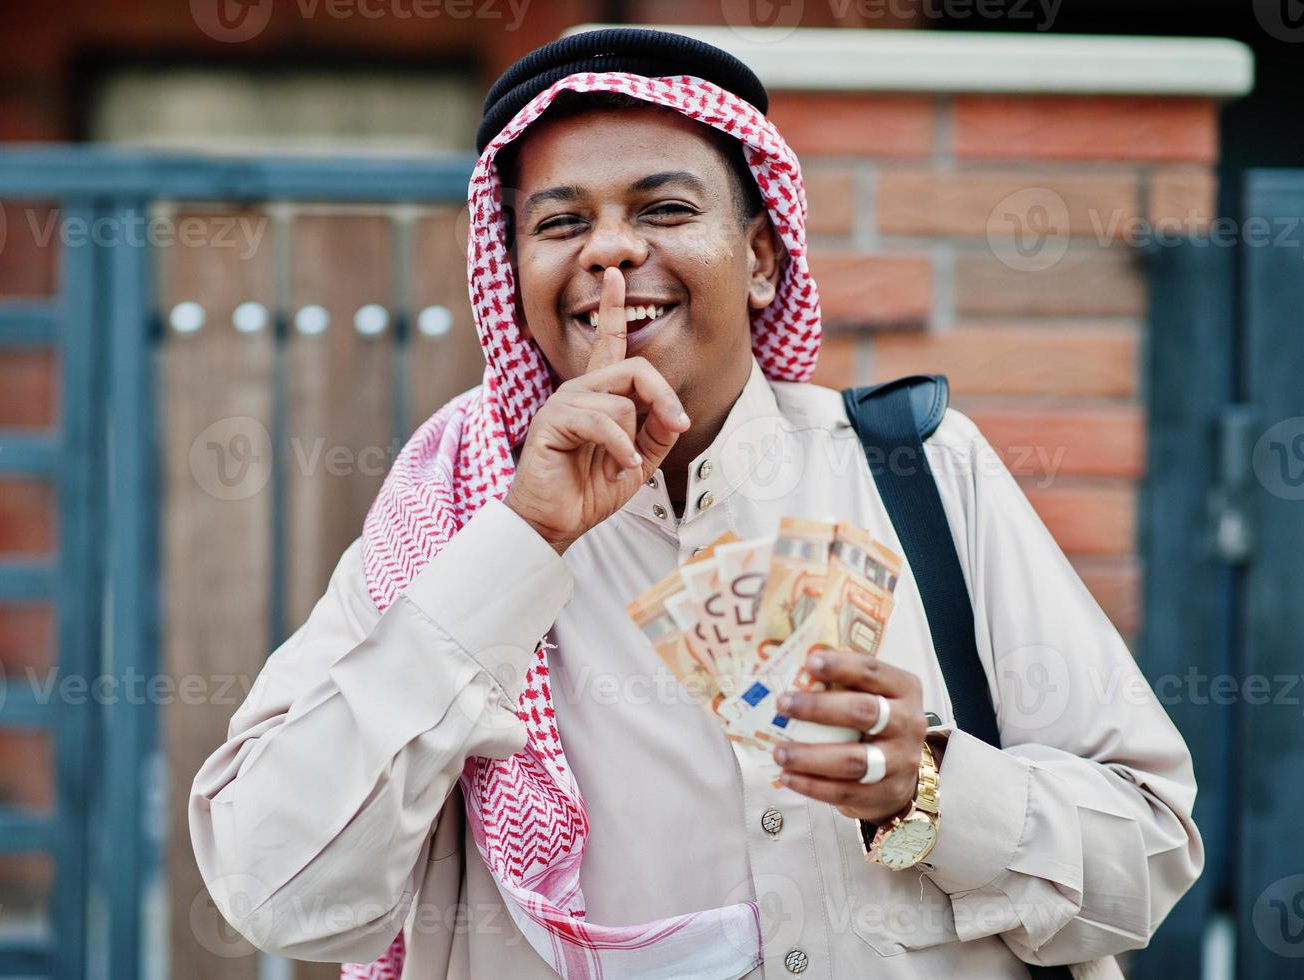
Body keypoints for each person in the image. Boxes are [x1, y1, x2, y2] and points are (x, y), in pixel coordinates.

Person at [189, 28, 1203, 980]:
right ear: (515, 274)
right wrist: (522, 538)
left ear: (762, 258)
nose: (612, 251)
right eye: (561, 221)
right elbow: (276, 887)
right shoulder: (453, 510)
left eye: (665, 210)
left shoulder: (921, 470)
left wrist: (936, 787)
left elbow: (1151, 853)